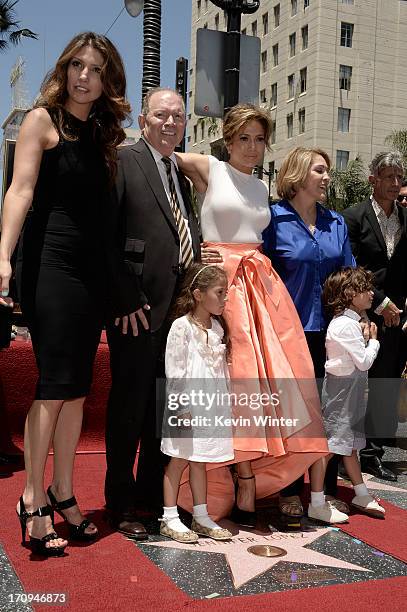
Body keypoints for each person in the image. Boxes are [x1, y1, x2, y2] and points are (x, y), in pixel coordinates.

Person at [0, 32, 130, 556]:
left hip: (91, 274)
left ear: (106, 80)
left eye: (95, 70)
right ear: (64, 69)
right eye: (77, 65)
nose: (84, 76)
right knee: (54, 384)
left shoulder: (104, 136)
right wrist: (2, 256)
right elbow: (21, 190)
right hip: (50, 266)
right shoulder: (40, 121)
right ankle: (32, 498)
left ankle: (63, 489)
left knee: (76, 389)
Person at [175, 104, 328, 524]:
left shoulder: (262, 188)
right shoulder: (208, 167)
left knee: (273, 378)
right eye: (244, 138)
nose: (252, 147)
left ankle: (254, 476)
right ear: (227, 139)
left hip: (259, 284)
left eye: (260, 139)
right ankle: (239, 473)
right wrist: (192, 247)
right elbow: (156, 155)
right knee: (236, 376)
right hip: (221, 285)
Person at [105, 87, 201, 540]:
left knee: (162, 412)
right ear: (143, 120)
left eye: (178, 117)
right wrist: (124, 296)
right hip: (137, 311)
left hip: (178, 316)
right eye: (161, 115)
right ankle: (120, 504)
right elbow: (107, 234)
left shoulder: (180, 177)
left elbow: (183, 236)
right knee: (129, 409)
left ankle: (150, 500)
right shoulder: (125, 161)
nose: (170, 123)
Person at [262, 146, 355, 520]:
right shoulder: (273, 219)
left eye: (327, 171)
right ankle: (289, 487)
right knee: (294, 412)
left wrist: (359, 315)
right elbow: (260, 273)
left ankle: (325, 488)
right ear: (298, 175)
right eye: (320, 170)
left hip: (331, 334)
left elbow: (348, 275)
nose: (327, 177)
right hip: (290, 331)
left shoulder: (336, 222)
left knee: (329, 411)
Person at [343, 151, 407, 482]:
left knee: (386, 381)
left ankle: (372, 452)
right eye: (390, 177)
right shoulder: (353, 217)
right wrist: (380, 303)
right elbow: (353, 265)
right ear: (373, 180)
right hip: (362, 312)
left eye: (400, 177)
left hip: (399, 316)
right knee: (355, 383)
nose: (397, 184)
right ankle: (346, 451)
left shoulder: (406, 218)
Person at [160, 263, 233, 542]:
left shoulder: (216, 327)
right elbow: (175, 370)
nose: (225, 299)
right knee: (178, 459)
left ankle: (201, 516)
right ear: (198, 294)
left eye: (226, 293)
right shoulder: (182, 327)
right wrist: (182, 407)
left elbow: (220, 371)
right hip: (187, 406)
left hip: (209, 406)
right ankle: (169, 517)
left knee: (200, 460)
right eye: (219, 292)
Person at [320, 267, 385, 518]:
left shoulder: (351, 323)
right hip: (342, 395)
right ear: (349, 293)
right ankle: (317, 499)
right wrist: (374, 342)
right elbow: (364, 362)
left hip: (351, 393)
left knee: (349, 446)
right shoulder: (345, 326)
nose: (371, 293)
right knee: (330, 446)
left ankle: (360, 493)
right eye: (365, 289)